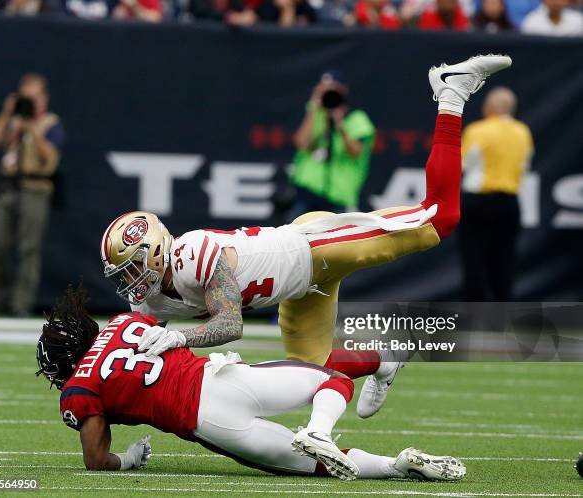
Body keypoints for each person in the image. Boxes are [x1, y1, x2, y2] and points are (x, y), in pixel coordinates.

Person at [100, 54, 512, 419]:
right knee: (309, 367)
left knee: (439, 218)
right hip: (300, 288)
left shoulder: (194, 254)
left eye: (132, 266)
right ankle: (386, 359)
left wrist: (174, 337)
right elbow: (121, 347)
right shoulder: (148, 297)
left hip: (312, 249)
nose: (130, 280)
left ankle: (451, 91)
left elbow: (230, 323)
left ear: (155, 252)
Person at [36, 285, 466, 481]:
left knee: (313, 466)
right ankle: (323, 425)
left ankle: (394, 465)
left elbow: (95, 458)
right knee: (332, 381)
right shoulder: (124, 322)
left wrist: (126, 461)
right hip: (225, 375)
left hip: (207, 418)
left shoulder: (79, 388)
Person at [0, 73, 65, 317]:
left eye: (34, 96)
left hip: (35, 188)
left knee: (28, 248)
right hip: (9, 187)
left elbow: (49, 157)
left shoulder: (50, 124)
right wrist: (7, 114)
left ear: (44, 98)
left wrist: (31, 128)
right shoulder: (13, 122)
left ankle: (21, 304)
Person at [459, 87, 534, 301]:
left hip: (478, 202)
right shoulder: (523, 132)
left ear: (491, 107)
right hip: (509, 202)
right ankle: (501, 314)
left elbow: (463, 163)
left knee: (474, 259)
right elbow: (525, 166)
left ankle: (474, 315)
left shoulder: (478, 130)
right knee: (504, 259)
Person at [291, 71, 375, 216]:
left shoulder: (356, 118)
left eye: (333, 91)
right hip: (307, 192)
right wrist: (314, 106)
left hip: (338, 196)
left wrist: (340, 125)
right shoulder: (315, 113)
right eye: (324, 90)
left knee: (336, 238)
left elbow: (356, 152)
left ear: (343, 91)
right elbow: (302, 143)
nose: (329, 95)